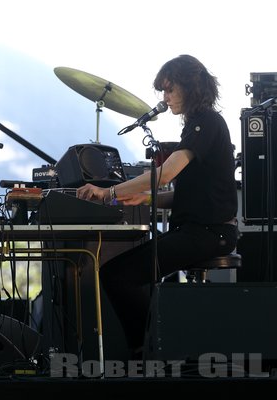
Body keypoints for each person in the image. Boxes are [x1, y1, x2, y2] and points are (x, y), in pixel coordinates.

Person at [75, 54, 239, 358]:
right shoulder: (197, 126)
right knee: (124, 274)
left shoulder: (207, 123)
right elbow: (188, 194)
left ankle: (145, 353)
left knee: (116, 276)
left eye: (169, 90)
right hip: (199, 229)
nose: (165, 98)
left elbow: (165, 174)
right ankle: (152, 347)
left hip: (209, 233)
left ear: (189, 88)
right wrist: (147, 197)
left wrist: (108, 194)